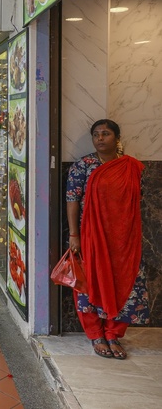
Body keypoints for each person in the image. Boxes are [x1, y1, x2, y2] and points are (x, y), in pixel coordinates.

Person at [66, 119, 149, 360]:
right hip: (92, 236)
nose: (100, 138)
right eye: (96, 134)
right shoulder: (83, 167)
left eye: (106, 133)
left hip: (124, 238)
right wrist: (74, 235)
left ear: (117, 138)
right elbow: (72, 201)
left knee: (126, 282)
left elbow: (136, 201)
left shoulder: (131, 167)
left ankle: (113, 334)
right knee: (90, 283)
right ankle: (96, 335)